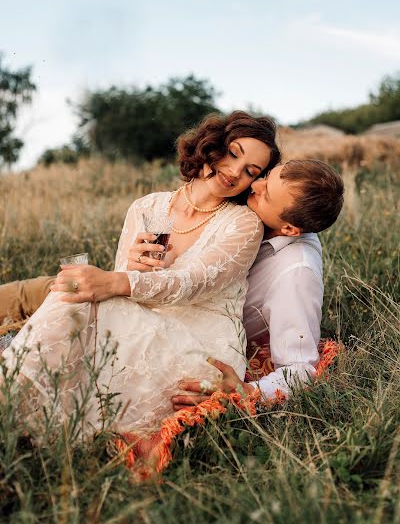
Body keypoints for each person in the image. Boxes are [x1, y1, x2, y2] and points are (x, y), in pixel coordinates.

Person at [1, 111, 280, 435]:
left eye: (250, 171)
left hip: (199, 342)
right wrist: (129, 269)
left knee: (73, 296)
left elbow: (193, 283)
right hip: (142, 323)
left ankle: (12, 400)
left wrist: (118, 279)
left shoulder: (243, 223)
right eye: (233, 154)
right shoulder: (146, 207)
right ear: (211, 146)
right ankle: (17, 402)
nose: (235, 172)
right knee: (73, 295)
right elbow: (119, 288)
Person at [171, 159, 344, 409]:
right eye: (267, 176)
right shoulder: (257, 213)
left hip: (200, 337)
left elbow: (300, 366)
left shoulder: (297, 272)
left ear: (290, 229)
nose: (256, 185)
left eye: (267, 194)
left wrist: (249, 390)